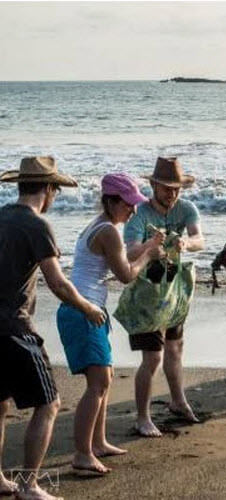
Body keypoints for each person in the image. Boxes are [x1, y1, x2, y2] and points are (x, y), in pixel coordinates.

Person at [0, 157, 106, 500]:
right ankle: (29, 485)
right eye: (55, 191)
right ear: (48, 189)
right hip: (15, 327)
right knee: (49, 403)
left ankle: (1, 479)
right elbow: (58, 282)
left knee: (0, 405)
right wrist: (88, 307)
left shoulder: (1, 215)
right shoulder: (37, 224)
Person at [56, 173, 164, 475]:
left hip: (87, 309)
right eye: (128, 204)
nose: (132, 210)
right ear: (113, 201)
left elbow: (120, 258)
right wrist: (150, 254)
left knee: (106, 378)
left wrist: (147, 245)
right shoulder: (108, 231)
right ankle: (82, 453)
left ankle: (99, 443)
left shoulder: (99, 226)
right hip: (83, 311)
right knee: (99, 383)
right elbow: (127, 275)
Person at [124, 157, 205, 437]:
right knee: (152, 358)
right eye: (167, 188)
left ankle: (178, 400)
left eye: (176, 189)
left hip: (174, 289)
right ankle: (143, 417)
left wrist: (186, 243)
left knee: (175, 349)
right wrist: (150, 247)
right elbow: (129, 252)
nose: (172, 194)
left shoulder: (186, 208)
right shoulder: (139, 214)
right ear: (153, 185)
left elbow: (199, 239)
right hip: (146, 292)